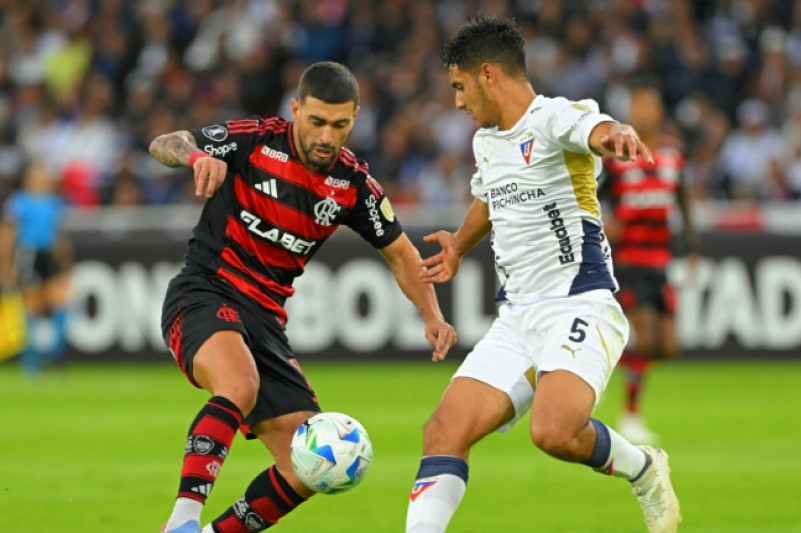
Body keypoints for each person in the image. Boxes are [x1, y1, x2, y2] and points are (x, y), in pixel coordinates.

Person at [149, 61, 456, 533]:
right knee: (239, 384)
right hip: (205, 290)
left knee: (309, 465)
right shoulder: (253, 139)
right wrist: (195, 157)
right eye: (316, 122)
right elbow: (164, 143)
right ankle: (182, 520)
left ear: (355, 118)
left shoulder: (353, 186)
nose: (326, 137)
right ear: (295, 110)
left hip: (265, 321)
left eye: (340, 125)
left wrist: (431, 313)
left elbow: (399, 252)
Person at [406, 16, 681, 533]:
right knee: (443, 431)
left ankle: (643, 467)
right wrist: (459, 246)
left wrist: (615, 131)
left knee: (553, 431)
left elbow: (593, 131)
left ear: (488, 74)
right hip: (517, 319)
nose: (459, 103)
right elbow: (489, 200)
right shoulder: (487, 142)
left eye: (460, 87)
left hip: (580, 304)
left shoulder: (554, 117)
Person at [600, 84, 699, 444]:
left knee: (668, 347)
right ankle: (629, 415)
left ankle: (605, 360)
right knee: (646, 336)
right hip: (629, 259)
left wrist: (691, 247)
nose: (642, 111)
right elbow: (590, 198)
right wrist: (604, 224)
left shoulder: (673, 152)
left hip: (661, 259)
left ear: (657, 109)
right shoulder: (615, 156)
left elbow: (684, 200)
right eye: (636, 104)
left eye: (648, 103)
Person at [0, 161, 72, 375]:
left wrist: (66, 259)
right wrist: (6, 263)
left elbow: (59, 234)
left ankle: (53, 354)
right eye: (39, 172)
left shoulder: (56, 202)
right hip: (29, 253)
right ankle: (31, 361)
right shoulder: (19, 202)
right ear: (29, 177)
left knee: (62, 303)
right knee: (32, 306)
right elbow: (8, 233)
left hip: (50, 254)